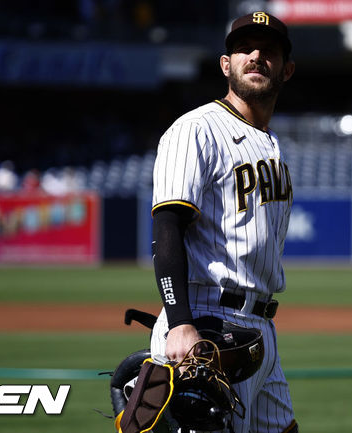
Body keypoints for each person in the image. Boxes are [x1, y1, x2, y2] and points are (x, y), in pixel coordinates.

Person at [150, 11, 298, 433]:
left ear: (286, 69)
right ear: (225, 64)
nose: (256, 56)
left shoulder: (270, 143)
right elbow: (167, 227)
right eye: (244, 48)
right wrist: (179, 323)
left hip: (259, 330)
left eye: (268, 51)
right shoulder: (196, 129)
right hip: (206, 324)